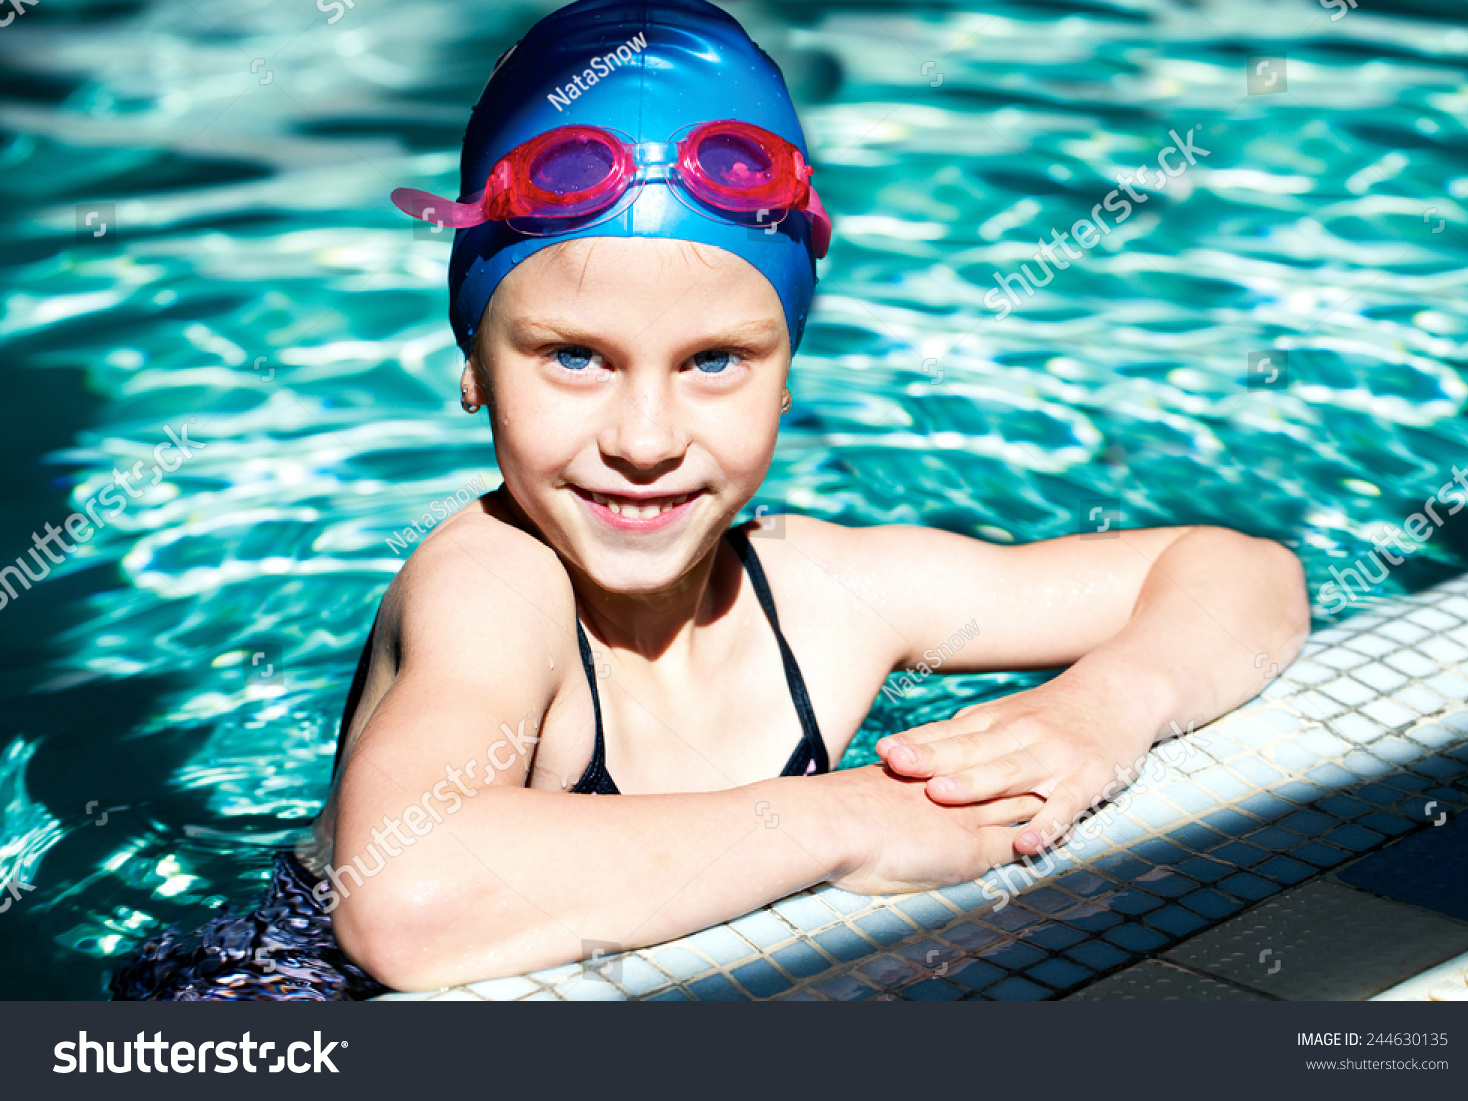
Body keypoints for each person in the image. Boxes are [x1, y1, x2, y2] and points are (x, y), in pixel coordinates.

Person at [114, 0, 1308, 1000]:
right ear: (475, 366)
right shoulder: (494, 578)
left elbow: (1244, 575)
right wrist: (836, 825)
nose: (644, 441)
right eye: (574, 356)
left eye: (716, 361)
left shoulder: (828, 593)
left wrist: (1104, 713)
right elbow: (410, 903)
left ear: (791, 372)